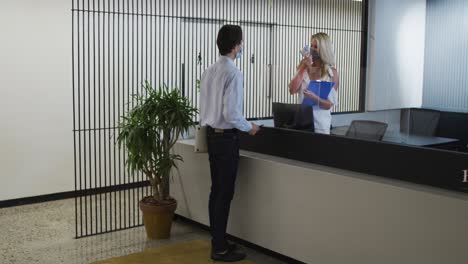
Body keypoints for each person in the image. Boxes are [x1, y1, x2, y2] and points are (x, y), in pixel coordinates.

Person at [199, 24, 261, 262]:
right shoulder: (233, 72)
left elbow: (206, 107)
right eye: (241, 42)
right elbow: (232, 114)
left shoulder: (209, 70)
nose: (242, 46)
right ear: (236, 46)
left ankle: (219, 240)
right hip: (226, 138)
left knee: (216, 192)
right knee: (224, 193)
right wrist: (251, 127)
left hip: (211, 136)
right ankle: (219, 249)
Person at [288, 32, 340, 135]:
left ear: (324, 50)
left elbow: (328, 104)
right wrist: (303, 66)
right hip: (302, 123)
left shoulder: (331, 73)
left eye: (316, 47)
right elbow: (292, 90)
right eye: (311, 46)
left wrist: (314, 98)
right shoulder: (303, 68)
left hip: (320, 125)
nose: (312, 49)